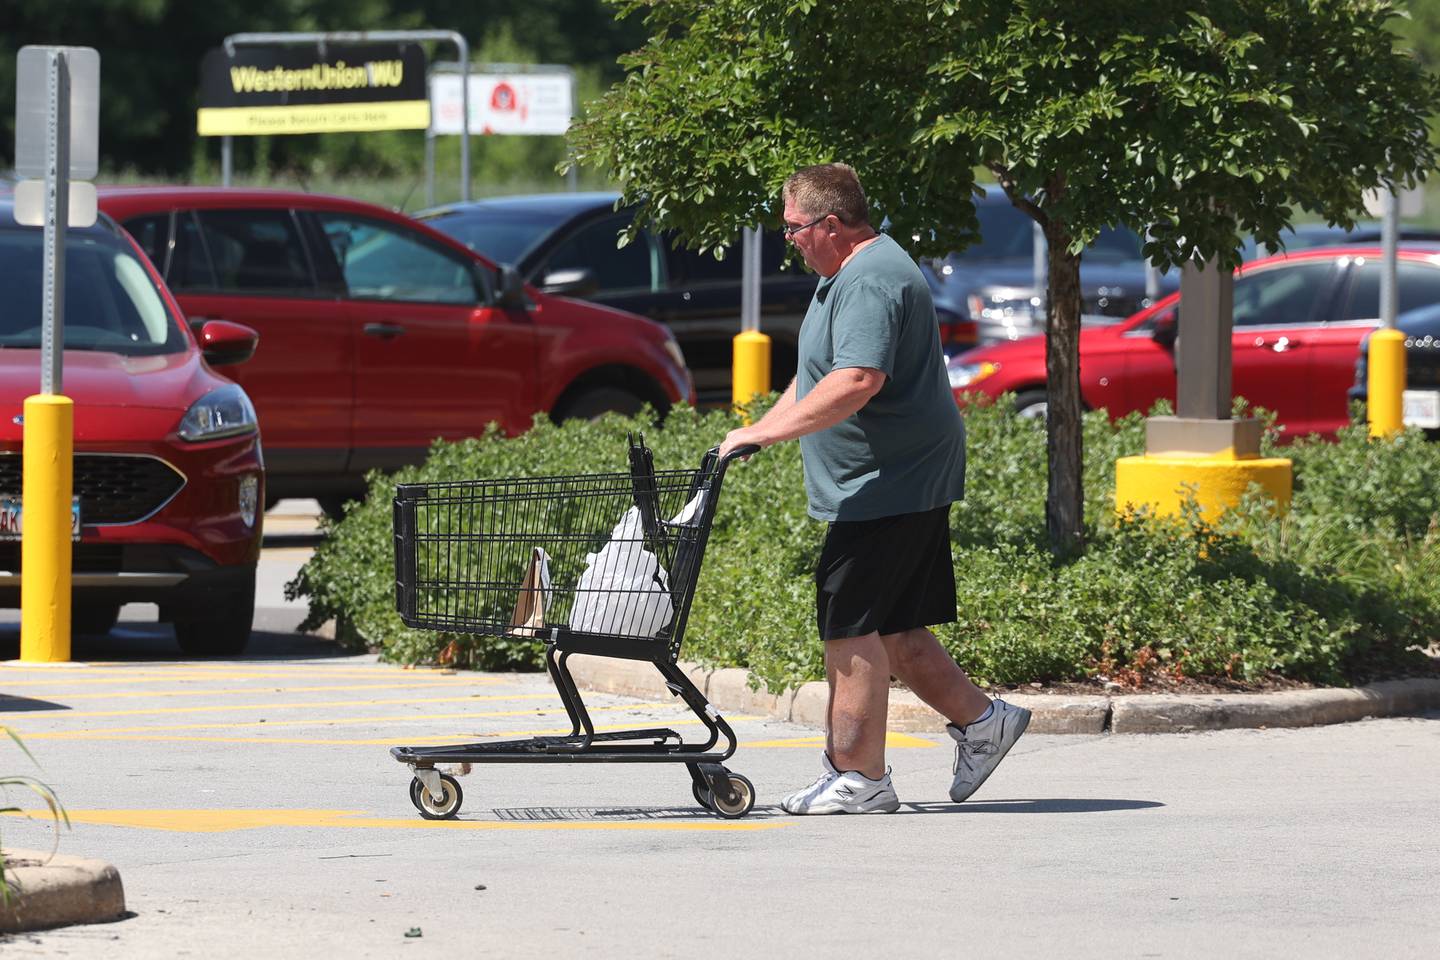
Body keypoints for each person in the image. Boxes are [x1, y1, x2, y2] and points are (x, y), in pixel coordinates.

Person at [718, 163, 1030, 814]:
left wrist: (766, 438)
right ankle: (983, 722)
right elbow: (818, 375)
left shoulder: (869, 279)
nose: (791, 240)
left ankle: (860, 777)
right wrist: (758, 430)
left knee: (850, 620)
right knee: (897, 630)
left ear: (831, 225)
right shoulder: (844, 275)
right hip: (895, 475)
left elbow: (858, 379)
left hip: (890, 479)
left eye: (796, 228)